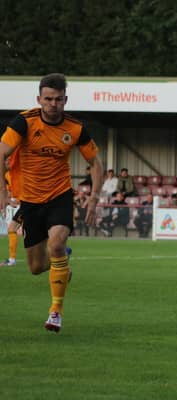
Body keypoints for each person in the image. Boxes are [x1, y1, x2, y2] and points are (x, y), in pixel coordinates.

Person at [0, 73, 103, 332]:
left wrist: (93, 198)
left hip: (59, 196)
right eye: (48, 99)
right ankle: (62, 263)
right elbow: (1, 153)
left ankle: (55, 312)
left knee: (56, 243)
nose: (53, 104)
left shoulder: (75, 128)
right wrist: (2, 191)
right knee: (36, 267)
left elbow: (96, 164)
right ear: (39, 99)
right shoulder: (24, 122)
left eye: (58, 99)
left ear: (65, 100)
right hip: (30, 201)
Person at [0, 153, 22, 267]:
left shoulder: (19, 171)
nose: (7, 161)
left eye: (9, 159)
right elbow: (6, 192)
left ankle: (12, 260)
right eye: (6, 160)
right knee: (11, 229)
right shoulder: (6, 175)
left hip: (25, 203)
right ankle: (12, 259)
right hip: (15, 204)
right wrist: (6, 203)